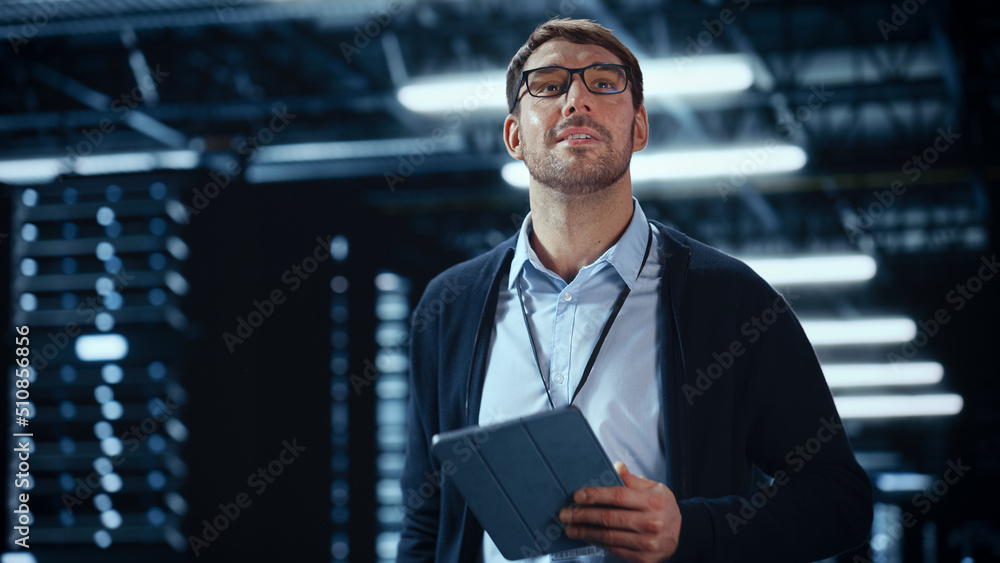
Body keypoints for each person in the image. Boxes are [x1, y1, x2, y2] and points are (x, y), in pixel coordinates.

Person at [398, 17, 873, 563]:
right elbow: (426, 521)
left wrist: (694, 529)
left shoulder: (733, 302)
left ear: (639, 128)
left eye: (603, 83)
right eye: (549, 86)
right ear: (514, 136)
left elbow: (841, 500)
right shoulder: (449, 307)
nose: (576, 99)